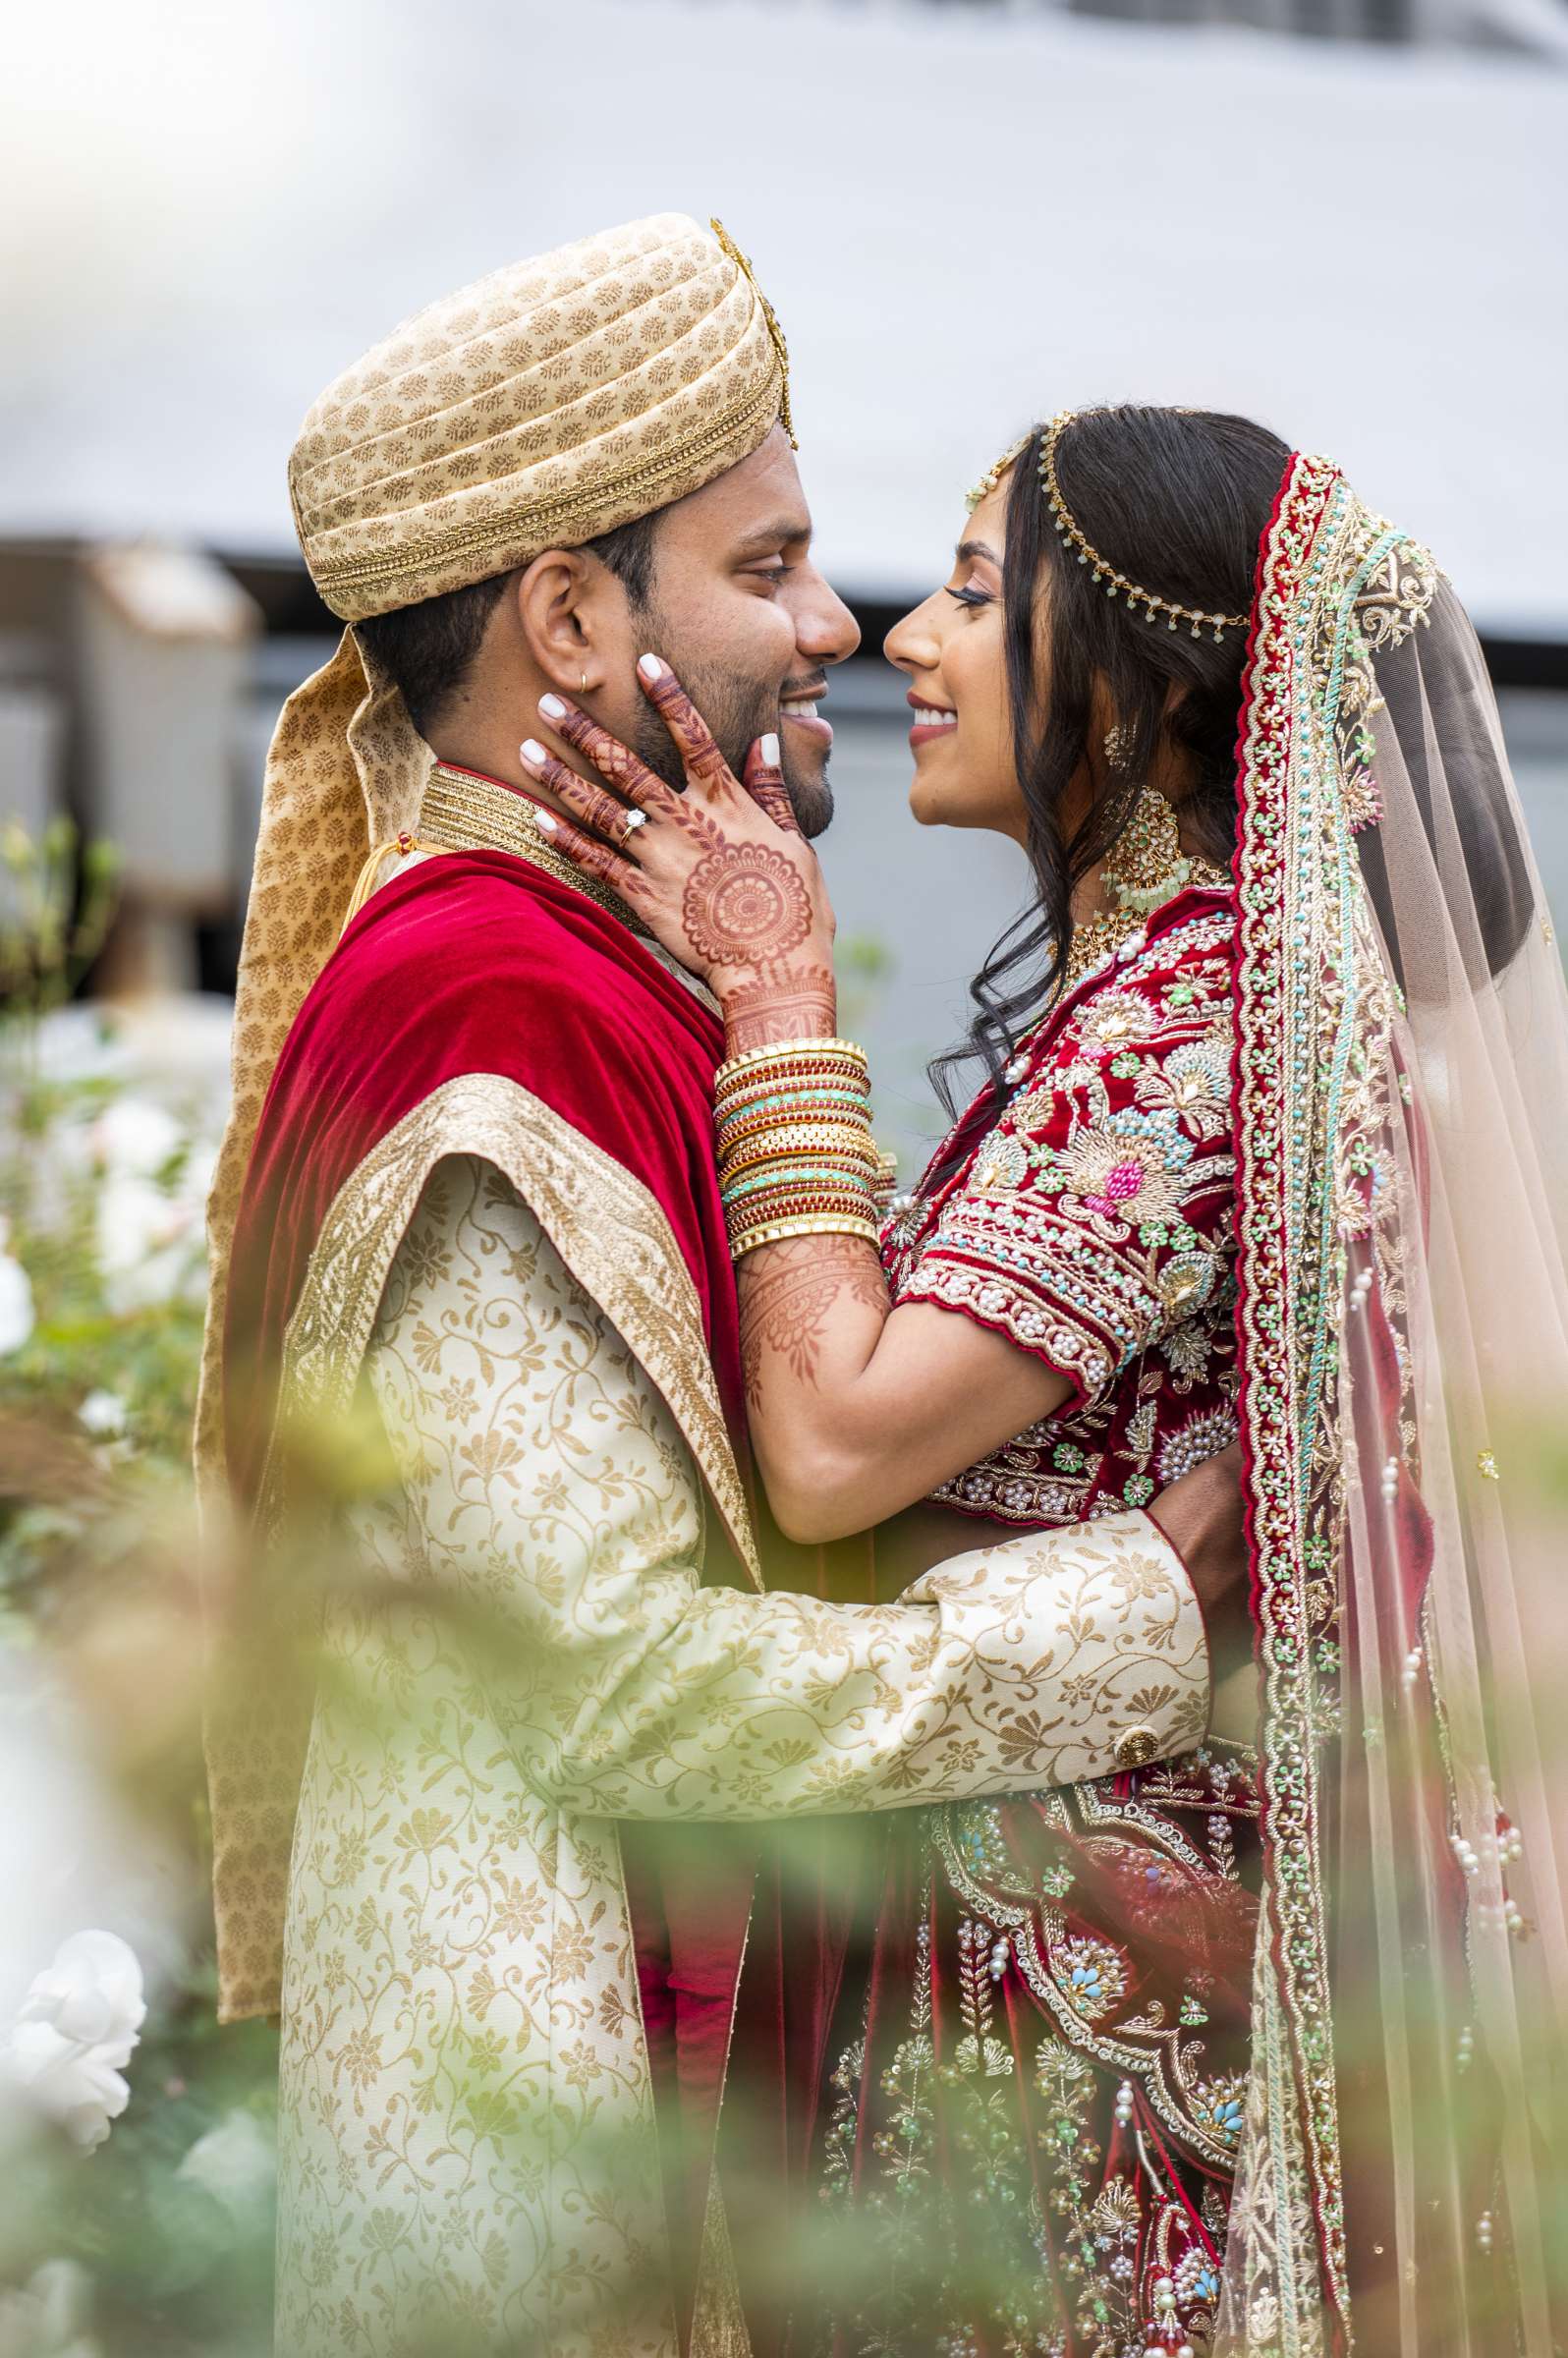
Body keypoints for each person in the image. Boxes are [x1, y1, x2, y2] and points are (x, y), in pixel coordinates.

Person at [196, 224, 1245, 2358]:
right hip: (547, 2130)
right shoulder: (492, 1012)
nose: (836, 627)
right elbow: (605, 1686)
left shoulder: (614, 967)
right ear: (573, 617)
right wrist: (1131, 1609)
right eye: (771, 564)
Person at [538, 404, 1568, 2355]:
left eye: (976, 592)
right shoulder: (1208, 983)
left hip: (1070, 1989)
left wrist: (775, 1005)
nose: (905, 639)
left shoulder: (1195, 1007)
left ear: (1153, 696)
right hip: (1072, 1926)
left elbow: (839, 1447)